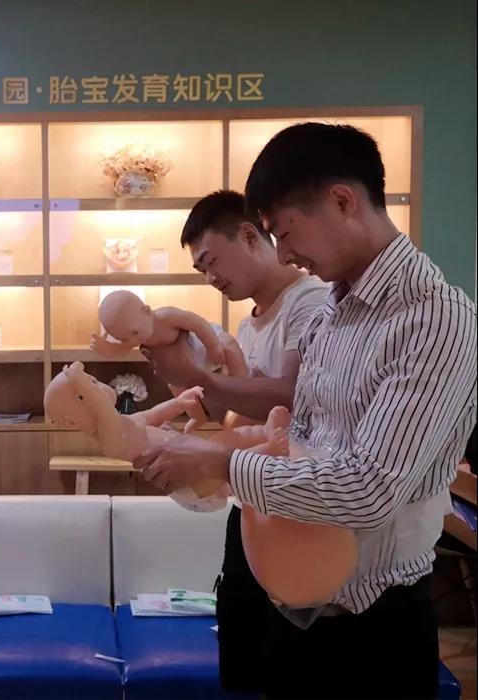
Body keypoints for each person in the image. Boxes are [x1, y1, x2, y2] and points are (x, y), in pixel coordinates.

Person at [136, 123, 477, 699]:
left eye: (285, 232)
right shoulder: (332, 315)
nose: (283, 253)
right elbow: (299, 440)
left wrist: (218, 462)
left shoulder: (433, 319)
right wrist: (209, 445)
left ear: (342, 201)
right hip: (291, 599)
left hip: (368, 627)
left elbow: (368, 489)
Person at [142, 189, 328, 692]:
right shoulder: (247, 325)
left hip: (294, 511)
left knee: (287, 664)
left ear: (249, 234)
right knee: (248, 660)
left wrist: (200, 380)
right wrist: (186, 390)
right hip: (252, 505)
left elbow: (289, 396)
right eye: (200, 269)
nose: (210, 277)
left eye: (210, 261)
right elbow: (237, 409)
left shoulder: (310, 301)